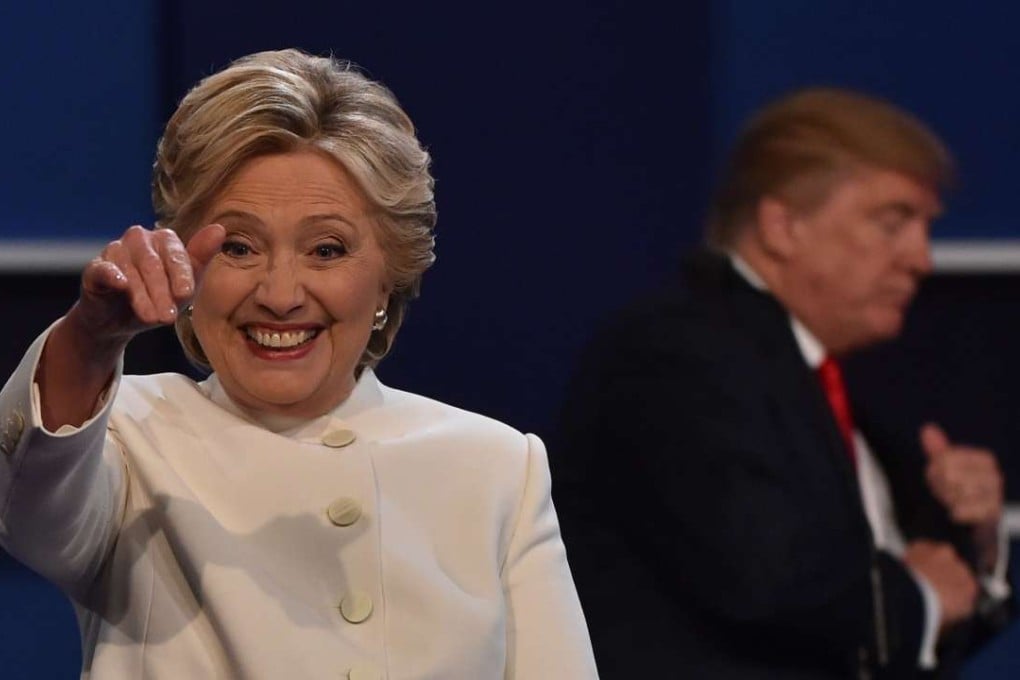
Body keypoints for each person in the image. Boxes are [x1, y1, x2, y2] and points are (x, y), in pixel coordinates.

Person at [0, 48, 597, 679]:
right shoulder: (126, 437)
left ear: (390, 275)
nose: (281, 294)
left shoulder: (497, 465)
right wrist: (89, 339)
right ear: (184, 258)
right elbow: (28, 512)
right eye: (238, 246)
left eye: (326, 249)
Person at [553, 87, 1011, 678]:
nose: (920, 258)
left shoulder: (831, 387)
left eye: (924, 228)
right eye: (893, 222)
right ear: (783, 225)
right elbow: (765, 580)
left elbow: (883, 640)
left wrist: (977, 547)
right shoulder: (674, 352)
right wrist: (917, 597)